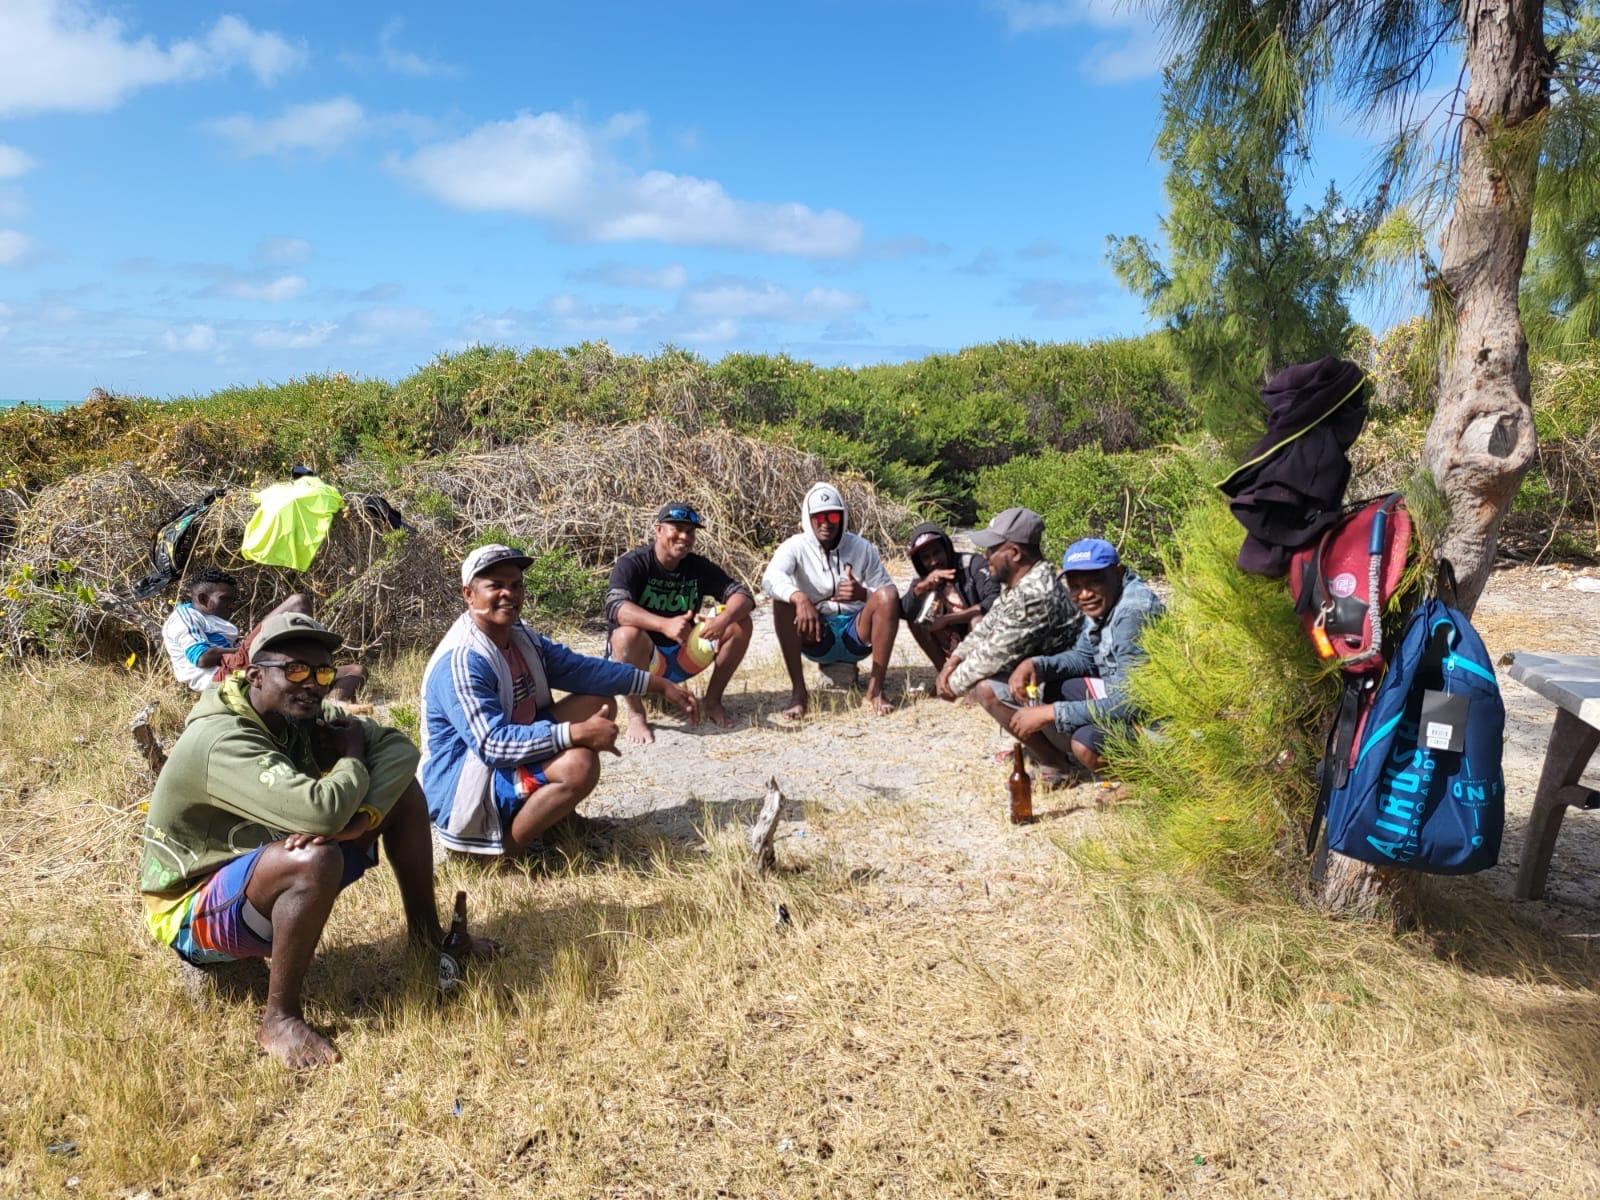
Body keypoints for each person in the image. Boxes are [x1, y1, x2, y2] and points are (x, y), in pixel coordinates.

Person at [138, 611, 497, 1070]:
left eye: (322, 672)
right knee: (314, 857)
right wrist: (350, 760)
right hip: (190, 907)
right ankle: (279, 1018)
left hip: (256, 867)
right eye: (294, 670)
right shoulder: (221, 738)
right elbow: (321, 812)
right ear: (255, 676)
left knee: (402, 796)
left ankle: (427, 943)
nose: (311, 683)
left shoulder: (301, 714)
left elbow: (400, 749)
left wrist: (363, 815)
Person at [421, 544, 700, 857]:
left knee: (599, 701)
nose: (508, 594)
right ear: (469, 595)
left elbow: (580, 670)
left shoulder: (519, 635)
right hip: (465, 787)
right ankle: (505, 854)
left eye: (515, 585)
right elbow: (492, 744)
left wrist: (657, 684)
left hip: (503, 759)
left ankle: (559, 824)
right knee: (578, 765)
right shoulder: (463, 659)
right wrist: (575, 734)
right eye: (495, 586)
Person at [994, 538, 1165, 778]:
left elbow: (1131, 701)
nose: (1084, 594)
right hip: (1125, 696)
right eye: (1075, 586)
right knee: (1057, 686)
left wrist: (1053, 712)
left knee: (1085, 743)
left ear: (1118, 572)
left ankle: (1148, 781)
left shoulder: (1133, 613)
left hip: (1159, 724)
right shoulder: (1105, 603)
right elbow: (1085, 657)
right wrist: (1037, 665)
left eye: (1095, 582)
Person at [605, 502, 756, 742]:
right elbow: (615, 607)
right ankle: (636, 714)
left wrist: (723, 619)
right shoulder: (633, 564)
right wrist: (664, 625)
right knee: (624, 636)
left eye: (690, 531)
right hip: (648, 662)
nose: (684, 536)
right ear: (659, 530)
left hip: (685, 654)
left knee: (740, 622)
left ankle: (712, 702)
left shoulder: (698, 566)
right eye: (677, 528)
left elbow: (744, 596)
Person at [761, 482, 901, 718]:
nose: (826, 522)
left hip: (856, 632)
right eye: (819, 516)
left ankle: (876, 689)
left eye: (833, 515)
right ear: (809, 518)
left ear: (842, 517)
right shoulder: (795, 546)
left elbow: (889, 593)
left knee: (886, 597)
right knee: (782, 601)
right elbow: (770, 579)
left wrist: (862, 594)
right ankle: (799, 692)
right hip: (817, 633)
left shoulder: (862, 547)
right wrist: (799, 597)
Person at [936, 507, 1082, 704]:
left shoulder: (1035, 595)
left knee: (989, 688)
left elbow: (993, 654)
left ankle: (1040, 732)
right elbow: (987, 627)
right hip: (1043, 674)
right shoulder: (1023, 581)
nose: (986, 556)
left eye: (992, 549)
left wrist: (950, 686)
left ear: (1014, 553)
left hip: (1063, 684)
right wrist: (954, 660)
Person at [160, 566, 365, 702]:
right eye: (225, 599)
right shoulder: (184, 617)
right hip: (220, 678)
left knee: (355, 671)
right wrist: (257, 645)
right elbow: (203, 658)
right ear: (203, 598)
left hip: (238, 667)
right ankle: (311, 660)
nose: (231, 605)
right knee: (298, 602)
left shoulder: (212, 620)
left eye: (233, 600)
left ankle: (334, 708)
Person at [899, 522, 1000, 670]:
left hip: (981, 636)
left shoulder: (972, 565)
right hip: (952, 636)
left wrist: (947, 619)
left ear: (946, 549)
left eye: (937, 552)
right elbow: (904, 611)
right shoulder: (924, 580)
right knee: (917, 621)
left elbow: (994, 601)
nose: (933, 561)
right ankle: (945, 672)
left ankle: (977, 675)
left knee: (977, 621)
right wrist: (920, 589)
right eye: (926, 557)